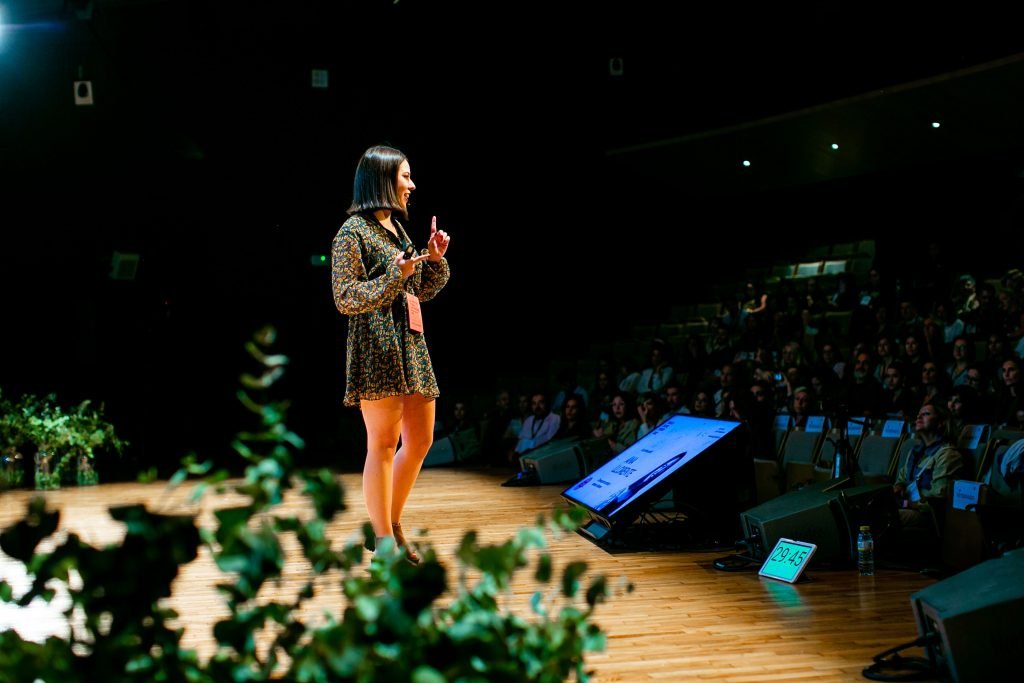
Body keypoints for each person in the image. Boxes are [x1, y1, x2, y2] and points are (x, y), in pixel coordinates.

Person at [331, 144, 451, 563]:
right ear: (383, 179)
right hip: (378, 348)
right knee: (382, 445)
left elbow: (418, 292)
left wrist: (433, 261)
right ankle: (384, 540)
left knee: (420, 440)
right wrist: (391, 278)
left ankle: (387, 522)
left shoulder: (397, 230)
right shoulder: (352, 232)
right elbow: (345, 298)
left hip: (411, 344)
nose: (412, 185)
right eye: (405, 176)